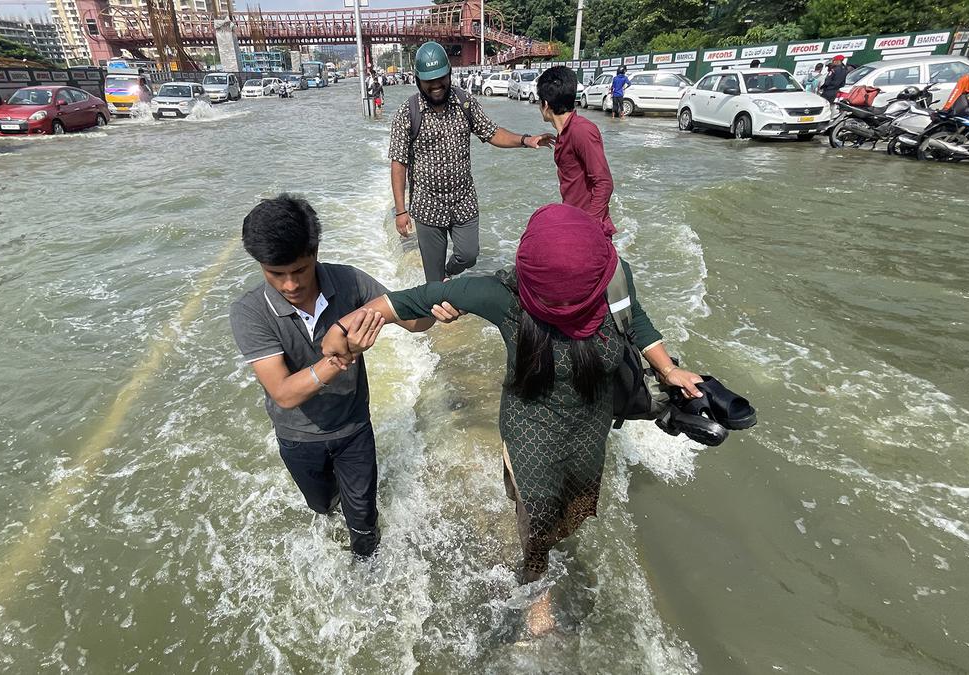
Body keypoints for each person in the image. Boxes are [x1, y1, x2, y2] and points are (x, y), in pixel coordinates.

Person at [321, 203, 703, 591]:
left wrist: (668, 369)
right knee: (536, 519)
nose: (568, 306)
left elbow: (634, 317)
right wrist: (343, 327)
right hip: (530, 438)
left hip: (590, 432)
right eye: (558, 299)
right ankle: (535, 586)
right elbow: (407, 301)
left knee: (572, 510)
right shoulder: (505, 297)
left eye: (576, 297)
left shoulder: (610, 278)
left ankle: (543, 559)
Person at [229, 195, 435, 559]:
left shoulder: (350, 282)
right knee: (323, 505)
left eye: (300, 270)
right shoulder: (249, 312)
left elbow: (415, 322)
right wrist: (341, 355)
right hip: (298, 437)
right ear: (260, 265)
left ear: (316, 252)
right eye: (276, 274)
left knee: (363, 521)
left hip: (354, 428)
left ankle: (367, 573)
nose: (290, 285)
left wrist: (435, 302)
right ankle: (333, 504)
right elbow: (284, 393)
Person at [389, 41, 556, 282]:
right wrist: (401, 211)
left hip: (463, 200)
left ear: (449, 74)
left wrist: (525, 140)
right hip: (427, 205)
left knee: (469, 255)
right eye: (429, 82)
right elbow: (398, 163)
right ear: (418, 80)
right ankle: (441, 307)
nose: (436, 86)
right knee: (433, 283)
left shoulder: (464, 102)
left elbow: (491, 132)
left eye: (441, 79)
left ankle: (449, 272)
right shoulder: (408, 113)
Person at [536, 66, 615, 236]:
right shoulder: (567, 132)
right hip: (574, 219)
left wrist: (589, 227)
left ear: (545, 104)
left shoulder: (581, 130)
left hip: (588, 226)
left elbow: (604, 183)